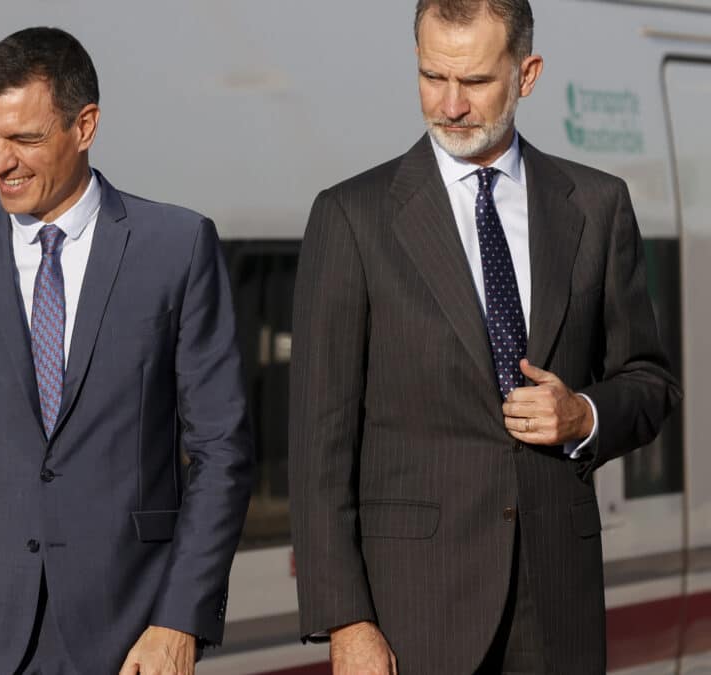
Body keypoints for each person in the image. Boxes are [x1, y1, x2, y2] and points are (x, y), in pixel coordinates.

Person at [288, 1, 681, 673]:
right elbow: (317, 443)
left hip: (558, 605)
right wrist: (344, 620)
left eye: (473, 82)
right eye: (431, 76)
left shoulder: (596, 204)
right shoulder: (351, 217)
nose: (450, 104)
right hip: (413, 613)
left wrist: (582, 414)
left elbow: (649, 381)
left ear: (526, 74)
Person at [0, 26, 253, 675]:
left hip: (132, 639)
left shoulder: (176, 248)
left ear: (85, 125)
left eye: (23, 138)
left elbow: (224, 451)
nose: (0, 160)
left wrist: (179, 619)